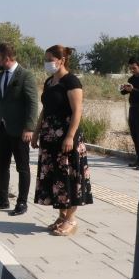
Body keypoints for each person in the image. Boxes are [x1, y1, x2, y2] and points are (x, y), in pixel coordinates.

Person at [32, 45, 93, 236]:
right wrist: (36, 131)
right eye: (46, 59)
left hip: (66, 136)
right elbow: (45, 109)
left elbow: (77, 111)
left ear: (62, 60)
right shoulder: (50, 81)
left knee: (69, 177)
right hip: (49, 137)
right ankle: (61, 215)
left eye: (50, 59)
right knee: (57, 177)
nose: (47, 62)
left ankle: (71, 220)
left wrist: (69, 136)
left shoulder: (72, 82)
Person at [0, 43, 39, 216]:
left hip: (19, 130)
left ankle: (22, 202)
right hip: (2, 129)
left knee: (22, 168)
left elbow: (32, 103)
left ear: (7, 58)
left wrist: (29, 128)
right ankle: (2, 199)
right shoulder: (0, 76)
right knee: (2, 165)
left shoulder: (25, 75)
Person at [121, 57, 139, 169]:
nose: (132, 70)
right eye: (130, 68)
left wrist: (133, 90)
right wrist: (124, 89)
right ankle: (138, 158)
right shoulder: (131, 79)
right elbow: (124, 93)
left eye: (134, 68)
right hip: (133, 108)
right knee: (135, 135)